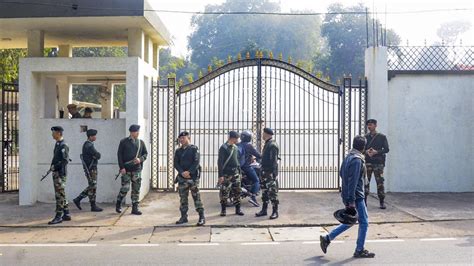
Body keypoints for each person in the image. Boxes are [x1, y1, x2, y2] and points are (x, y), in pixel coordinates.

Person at [320, 135, 375, 259]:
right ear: (363, 147)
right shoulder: (357, 160)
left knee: (351, 220)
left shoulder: (349, 157)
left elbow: (341, 174)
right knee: (364, 222)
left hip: (349, 195)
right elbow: (353, 181)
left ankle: (327, 238)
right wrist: (351, 201)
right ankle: (359, 250)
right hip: (356, 197)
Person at [174, 131, 205, 226]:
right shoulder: (178, 151)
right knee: (183, 198)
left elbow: (196, 161)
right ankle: (183, 217)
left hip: (193, 178)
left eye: (183, 138)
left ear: (188, 138)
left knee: (197, 198)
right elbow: (176, 163)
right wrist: (182, 172)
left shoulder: (194, 149)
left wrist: (189, 172)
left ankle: (201, 217)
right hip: (182, 178)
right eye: (180, 138)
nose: (181, 140)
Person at [116, 124, 148, 215]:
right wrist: (121, 167)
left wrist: (140, 159)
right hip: (126, 169)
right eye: (135, 132)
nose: (137, 133)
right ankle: (118, 203)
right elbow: (119, 155)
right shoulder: (123, 142)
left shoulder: (141, 142)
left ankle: (135, 207)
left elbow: (145, 154)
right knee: (125, 188)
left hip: (137, 170)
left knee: (136, 189)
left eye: (138, 132)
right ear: (131, 132)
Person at [73, 129, 103, 212]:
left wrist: (95, 156)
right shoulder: (88, 145)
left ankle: (93, 205)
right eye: (94, 136)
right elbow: (98, 155)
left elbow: (96, 156)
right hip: (91, 169)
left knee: (93, 186)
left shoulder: (89, 144)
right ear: (90, 137)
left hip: (91, 168)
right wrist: (95, 156)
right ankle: (78, 199)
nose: (95, 137)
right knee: (92, 185)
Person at [364, 119, 390, 209]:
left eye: (371, 125)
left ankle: (381, 202)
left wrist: (376, 152)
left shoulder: (382, 137)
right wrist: (366, 151)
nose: (369, 126)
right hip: (368, 162)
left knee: (380, 183)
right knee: (366, 182)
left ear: (375, 125)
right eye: (368, 125)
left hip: (378, 163)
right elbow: (362, 149)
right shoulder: (365, 137)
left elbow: (386, 149)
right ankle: (364, 202)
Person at [48, 126, 71, 224]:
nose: (52, 134)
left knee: (59, 195)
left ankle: (58, 216)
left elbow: (65, 160)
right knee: (62, 193)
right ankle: (66, 213)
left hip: (60, 173)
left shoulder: (63, 145)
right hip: (56, 173)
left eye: (53, 133)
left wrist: (55, 167)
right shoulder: (58, 144)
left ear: (59, 133)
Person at [217, 131, 244, 216]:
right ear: (232, 138)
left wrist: (239, 173)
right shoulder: (224, 148)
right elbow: (220, 162)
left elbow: (237, 161)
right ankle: (223, 210)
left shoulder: (235, 148)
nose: (237, 140)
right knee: (224, 192)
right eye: (236, 138)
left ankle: (238, 209)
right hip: (226, 174)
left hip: (235, 173)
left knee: (237, 192)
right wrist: (220, 175)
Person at [256, 128, 280, 219]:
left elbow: (273, 161)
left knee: (272, 193)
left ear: (266, 134)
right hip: (264, 172)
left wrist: (272, 173)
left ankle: (275, 211)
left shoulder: (272, 145)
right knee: (265, 192)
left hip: (269, 173)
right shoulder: (268, 144)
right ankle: (264, 210)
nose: (262, 135)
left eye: (263, 133)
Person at [237, 130, 262, 207]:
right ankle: (253, 197)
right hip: (246, 167)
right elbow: (258, 155)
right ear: (249, 138)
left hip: (238, 167)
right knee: (256, 180)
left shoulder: (238, 144)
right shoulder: (248, 145)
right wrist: (263, 156)